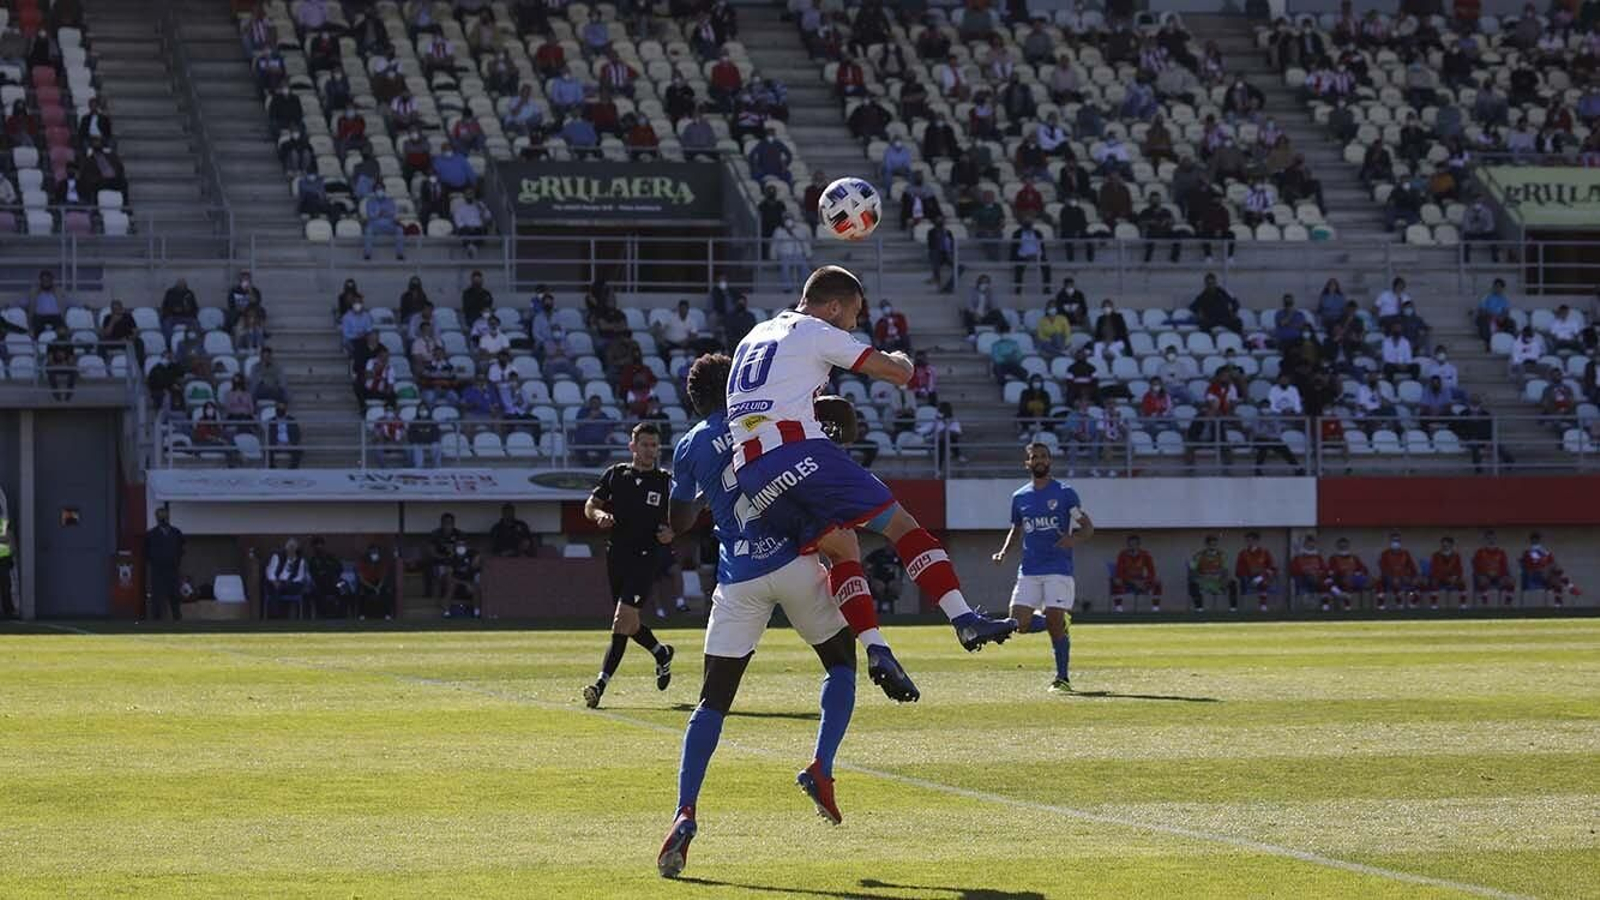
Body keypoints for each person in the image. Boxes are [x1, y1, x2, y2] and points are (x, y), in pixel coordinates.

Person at [725, 265, 1017, 663]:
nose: (855, 322)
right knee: (901, 525)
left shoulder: (753, 336)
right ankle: (964, 617)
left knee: (843, 548)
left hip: (752, 473)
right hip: (797, 450)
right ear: (832, 307)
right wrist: (903, 358)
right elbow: (896, 374)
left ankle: (877, 650)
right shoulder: (815, 330)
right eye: (854, 313)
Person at [656, 355, 871, 875]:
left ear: (693, 400)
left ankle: (685, 812)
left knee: (711, 703)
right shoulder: (764, 418)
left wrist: (705, 493)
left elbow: (680, 520)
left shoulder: (688, 446)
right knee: (841, 665)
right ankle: (821, 766)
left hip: (740, 578)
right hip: (796, 562)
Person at [581, 424, 678, 709]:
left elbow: (687, 512)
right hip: (617, 556)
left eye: (654, 446)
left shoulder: (665, 481)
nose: (650, 450)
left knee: (620, 620)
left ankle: (599, 686)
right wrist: (599, 514)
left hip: (646, 556)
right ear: (632, 446)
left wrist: (672, 531)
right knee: (629, 623)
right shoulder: (616, 474)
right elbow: (591, 504)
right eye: (645, 445)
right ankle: (661, 653)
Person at [990, 442, 1094, 692]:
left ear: (1050, 461)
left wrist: (1075, 538)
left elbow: (1088, 527)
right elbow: (1016, 529)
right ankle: (1060, 622)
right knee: (1018, 623)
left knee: (1054, 621)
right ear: (1027, 463)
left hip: (1058, 568)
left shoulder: (1065, 493)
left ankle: (1062, 679)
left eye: (1043, 456)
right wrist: (1004, 552)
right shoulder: (1020, 497)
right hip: (1029, 569)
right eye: (1034, 457)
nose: (1039, 460)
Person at [143, 507, 185, 621]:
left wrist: (176, 561)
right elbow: (146, 552)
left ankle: (177, 619)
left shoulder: (176, 533)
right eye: (160, 516)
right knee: (157, 597)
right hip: (158, 571)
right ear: (156, 518)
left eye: (164, 516)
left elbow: (181, 549)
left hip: (172, 569)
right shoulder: (151, 534)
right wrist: (155, 561)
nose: (163, 519)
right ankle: (156, 621)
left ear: (168, 517)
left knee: (175, 596)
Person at [1520, 532, 1581, 607]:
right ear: (1531, 541)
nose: (1535, 542)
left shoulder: (1544, 552)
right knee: (1553, 566)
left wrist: (1543, 554)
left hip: (1547, 577)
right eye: (1534, 540)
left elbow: (1551, 560)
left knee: (1557, 582)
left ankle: (1558, 606)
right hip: (1534, 576)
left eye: (1537, 540)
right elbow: (1527, 567)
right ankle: (1571, 587)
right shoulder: (1527, 553)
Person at [1109, 534, 1162, 614]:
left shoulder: (1145, 555)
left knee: (1158, 582)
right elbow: (1119, 573)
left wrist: (1144, 581)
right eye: (1130, 544)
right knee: (1116, 581)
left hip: (1141, 581)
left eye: (1135, 544)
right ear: (1127, 545)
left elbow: (1152, 572)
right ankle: (1118, 608)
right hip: (1127, 581)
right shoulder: (1122, 555)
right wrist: (1132, 581)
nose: (1132, 546)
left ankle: (1155, 608)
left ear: (1138, 545)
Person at [264, 538, 310, 618]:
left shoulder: (300, 561)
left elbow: (300, 576)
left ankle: (280, 615)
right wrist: (275, 582)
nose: (291, 549)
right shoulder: (277, 556)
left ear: (297, 549)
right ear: (286, 548)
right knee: (275, 589)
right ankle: (275, 616)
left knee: (296, 586)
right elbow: (270, 572)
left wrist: (288, 583)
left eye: (293, 547)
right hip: (276, 582)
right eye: (289, 547)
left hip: (291, 584)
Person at [1376, 531, 1421, 610]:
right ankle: (1384, 606)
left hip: (1404, 577)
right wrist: (1392, 577)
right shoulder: (1385, 554)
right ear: (1390, 542)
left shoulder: (1405, 553)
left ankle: (1413, 604)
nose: (1395, 543)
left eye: (1397, 541)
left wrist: (1415, 577)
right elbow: (1383, 568)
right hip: (1389, 578)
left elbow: (1412, 567)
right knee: (1381, 583)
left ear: (1400, 542)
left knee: (1418, 584)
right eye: (1393, 541)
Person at [1188, 534, 1232, 612]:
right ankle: (1199, 609)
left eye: (1214, 544)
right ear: (1206, 545)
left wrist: (1222, 578)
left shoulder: (1222, 555)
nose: (1212, 546)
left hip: (1217, 582)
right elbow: (1192, 570)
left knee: (1232, 583)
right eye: (1210, 544)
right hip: (1203, 582)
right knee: (1192, 584)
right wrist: (1200, 577)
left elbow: (1225, 570)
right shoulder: (1199, 555)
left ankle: (1233, 609)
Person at [1472, 530, 1516, 607]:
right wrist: (1486, 573)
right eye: (1488, 538)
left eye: (1492, 538)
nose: (1491, 540)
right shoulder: (1480, 552)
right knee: (1482, 580)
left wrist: (1500, 575)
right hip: (1485, 576)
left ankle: (1507, 604)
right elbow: (1476, 566)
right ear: (1485, 540)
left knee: (1511, 581)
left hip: (1498, 577)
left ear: (1495, 539)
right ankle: (1485, 604)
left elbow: (1504, 566)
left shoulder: (1501, 552)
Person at [1327, 537, 1371, 605]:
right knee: (1330, 582)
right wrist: (1340, 574)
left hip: (1355, 579)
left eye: (1345, 546)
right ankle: (1344, 597)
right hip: (1341, 580)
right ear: (1337, 547)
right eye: (1341, 546)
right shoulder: (1333, 558)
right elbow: (1331, 571)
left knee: (1369, 580)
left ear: (1348, 546)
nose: (1343, 548)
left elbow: (1364, 569)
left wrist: (1359, 572)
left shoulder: (1354, 557)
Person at [1427, 536, 1467, 610]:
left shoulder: (1456, 556)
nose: (1445, 546)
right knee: (1433, 582)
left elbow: (1459, 569)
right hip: (1440, 578)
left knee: (1462, 582)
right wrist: (1443, 577)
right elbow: (1433, 569)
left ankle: (1463, 604)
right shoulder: (1436, 555)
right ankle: (1434, 605)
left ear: (1451, 545)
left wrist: (1455, 577)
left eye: (1447, 544)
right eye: (1443, 544)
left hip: (1452, 578)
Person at [355, 544, 393, 620]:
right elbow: (361, 579)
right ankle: (361, 615)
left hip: (378, 583)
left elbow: (383, 577)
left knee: (387, 593)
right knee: (361, 593)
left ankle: (387, 615)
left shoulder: (381, 562)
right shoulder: (363, 561)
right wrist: (373, 588)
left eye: (376, 552)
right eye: (373, 552)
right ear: (369, 552)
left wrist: (378, 587)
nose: (374, 553)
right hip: (366, 584)